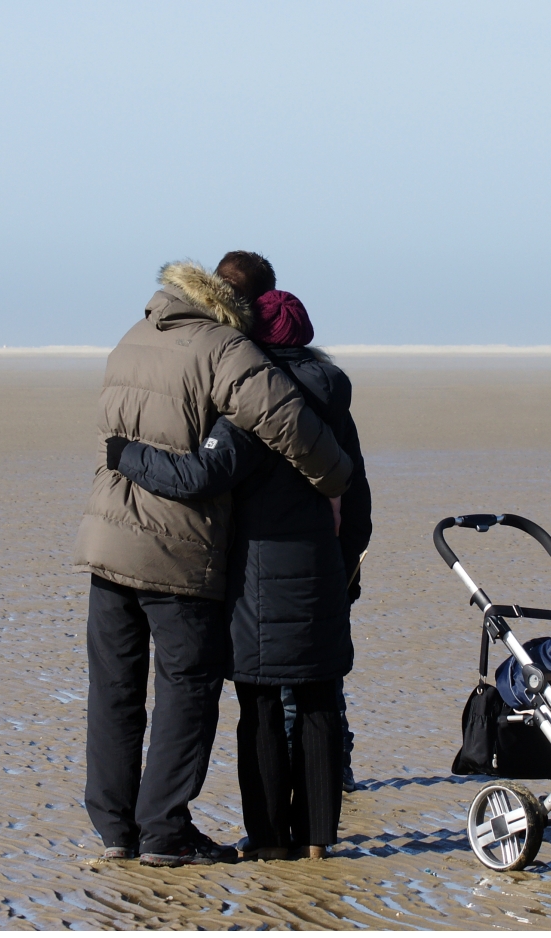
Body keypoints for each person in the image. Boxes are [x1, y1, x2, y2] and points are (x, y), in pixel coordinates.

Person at [72, 254, 353, 868]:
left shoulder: (133, 336)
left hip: (105, 543)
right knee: (187, 689)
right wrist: (334, 479)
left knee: (114, 691)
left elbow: (112, 439)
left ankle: (114, 828)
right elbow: (288, 424)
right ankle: (164, 830)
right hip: (176, 550)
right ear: (249, 306)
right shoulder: (226, 349)